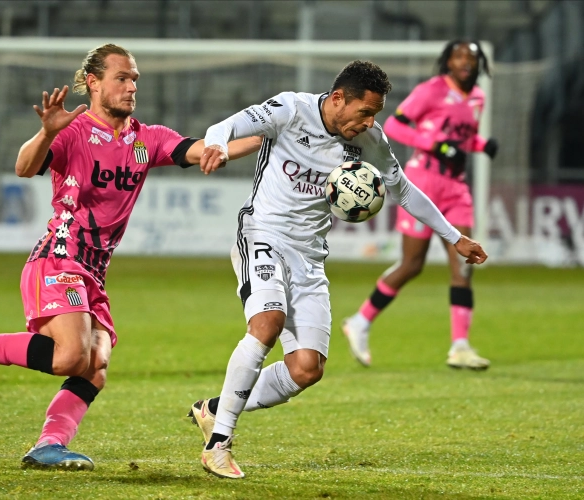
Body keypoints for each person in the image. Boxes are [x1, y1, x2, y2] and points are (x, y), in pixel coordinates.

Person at [0, 44, 261, 470]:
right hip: (58, 258)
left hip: (94, 272)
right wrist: (47, 132)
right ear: (93, 83)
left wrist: (271, 137)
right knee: (71, 355)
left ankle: (47, 446)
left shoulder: (147, 139)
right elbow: (23, 166)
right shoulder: (73, 131)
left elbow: (205, 150)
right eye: (122, 79)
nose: (131, 88)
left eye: (134, 80)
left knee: (95, 365)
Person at [188, 60, 488, 479]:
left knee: (307, 369)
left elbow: (402, 189)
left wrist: (454, 236)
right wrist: (216, 145)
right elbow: (226, 126)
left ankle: (215, 408)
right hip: (263, 235)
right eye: (365, 112)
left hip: (309, 256)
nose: (369, 122)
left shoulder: (369, 139)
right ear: (337, 99)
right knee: (267, 322)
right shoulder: (290, 110)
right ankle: (219, 443)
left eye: (376, 115)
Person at [341, 41, 498, 371]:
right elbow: (397, 125)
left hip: (456, 187)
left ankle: (460, 346)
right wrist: (435, 145)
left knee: (464, 263)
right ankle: (360, 321)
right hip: (424, 181)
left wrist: (481, 144)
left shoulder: (478, 98)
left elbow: (462, 138)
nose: (465, 62)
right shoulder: (432, 90)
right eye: (459, 56)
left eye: (471, 57)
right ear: (448, 62)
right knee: (412, 264)